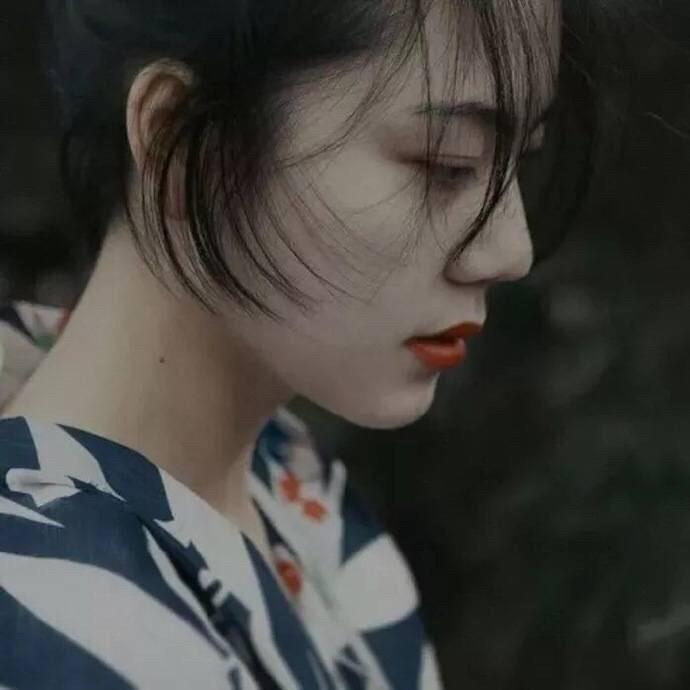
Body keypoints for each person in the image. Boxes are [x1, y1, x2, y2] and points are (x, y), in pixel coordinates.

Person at [0, 0, 577, 687]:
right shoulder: (55, 622)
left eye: (518, 160)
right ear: (181, 144)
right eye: (447, 162)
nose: (512, 249)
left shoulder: (290, 482)